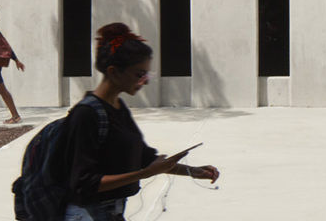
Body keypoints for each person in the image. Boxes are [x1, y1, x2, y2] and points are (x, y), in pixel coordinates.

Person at [61, 22, 222, 220]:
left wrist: (193, 171)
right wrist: (144, 174)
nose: (145, 80)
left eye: (147, 74)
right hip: (85, 215)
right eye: (139, 74)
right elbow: (83, 183)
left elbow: (145, 159)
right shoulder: (86, 115)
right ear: (113, 72)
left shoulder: (118, 109)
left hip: (112, 213)